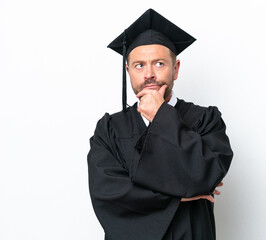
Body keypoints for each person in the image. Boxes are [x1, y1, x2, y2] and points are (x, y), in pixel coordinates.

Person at [87, 9, 233, 240]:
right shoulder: (109, 129)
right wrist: (179, 195)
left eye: (159, 64)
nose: (149, 74)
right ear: (128, 71)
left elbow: (206, 175)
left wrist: (161, 116)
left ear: (175, 69)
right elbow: (108, 194)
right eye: (139, 65)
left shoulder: (205, 120)